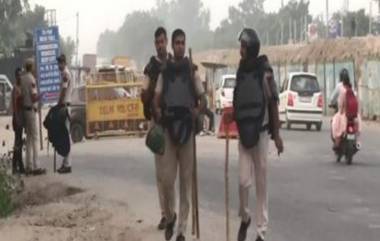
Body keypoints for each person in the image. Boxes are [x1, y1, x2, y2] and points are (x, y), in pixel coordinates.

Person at [224, 28, 284, 241]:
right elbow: (240, 101)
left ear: (250, 48)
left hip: (260, 135)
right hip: (243, 134)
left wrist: (276, 135)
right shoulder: (241, 72)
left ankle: (261, 231)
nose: (240, 50)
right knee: (243, 181)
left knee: (261, 183)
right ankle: (245, 217)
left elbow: (273, 102)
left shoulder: (264, 71)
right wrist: (231, 115)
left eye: (242, 46)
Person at [153, 29, 207, 241]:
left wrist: (197, 112)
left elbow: (203, 100)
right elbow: (156, 99)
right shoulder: (164, 72)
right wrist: (157, 112)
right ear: (171, 45)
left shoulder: (191, 71)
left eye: (182, 42)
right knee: (167, 181)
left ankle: (182, 229)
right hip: (168, 130)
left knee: (186, 183)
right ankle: (171, 215)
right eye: (176, 43)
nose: (180, 46)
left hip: (187, 132)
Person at [141, 26, 171, 230]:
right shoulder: (151, 68)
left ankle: (173, 212)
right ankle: (165, 214)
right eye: (157, 42)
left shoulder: (175, 63)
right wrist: (151, 88)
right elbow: (143, 94)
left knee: (173, 172)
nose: (160, 45)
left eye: (162, 41)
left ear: (166, 41)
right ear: (155, 44)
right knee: (161, 172)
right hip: (157, 125)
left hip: (174, 123)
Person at [20, 60, 45, 175]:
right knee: (34, 138)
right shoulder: (31, 80)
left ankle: (28, 165)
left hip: (24, 110)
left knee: (29, 139)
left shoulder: (22, 79)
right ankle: (36, 166)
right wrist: (41, 96)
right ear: (32, 67)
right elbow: (34, 97)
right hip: (31, 110)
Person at [331, 69, 361, 148]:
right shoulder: (353, 89)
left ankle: (337, 142)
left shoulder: (340, 88)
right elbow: (357, 102)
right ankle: (357, 142)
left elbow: (339, 104)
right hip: (354, 115)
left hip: (344, 114)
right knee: (356, 127)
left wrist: (339, 111)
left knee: (335, 123)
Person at [56, 54, 73, 174]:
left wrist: (58, 104)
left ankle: (67, 164)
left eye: (60, 63)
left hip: (64, 106)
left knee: (65, 137)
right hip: (65, 106)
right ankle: (65, 163)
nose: (58, 65)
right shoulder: (64, 73)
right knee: (64, 136)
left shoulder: (65, 74)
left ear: (64, 63)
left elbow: (63, 91)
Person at [11, 67, 25, 174]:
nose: (20, 76)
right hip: (17, 117)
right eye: (19, 75)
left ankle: (17, 165)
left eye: (21, 74)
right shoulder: (16, 88)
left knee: (19, 142)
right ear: (16, 76)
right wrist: (17, 119)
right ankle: (17, 165)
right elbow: (15, 106)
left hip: (21, 116)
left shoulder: (21, 87)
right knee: (18, 142)